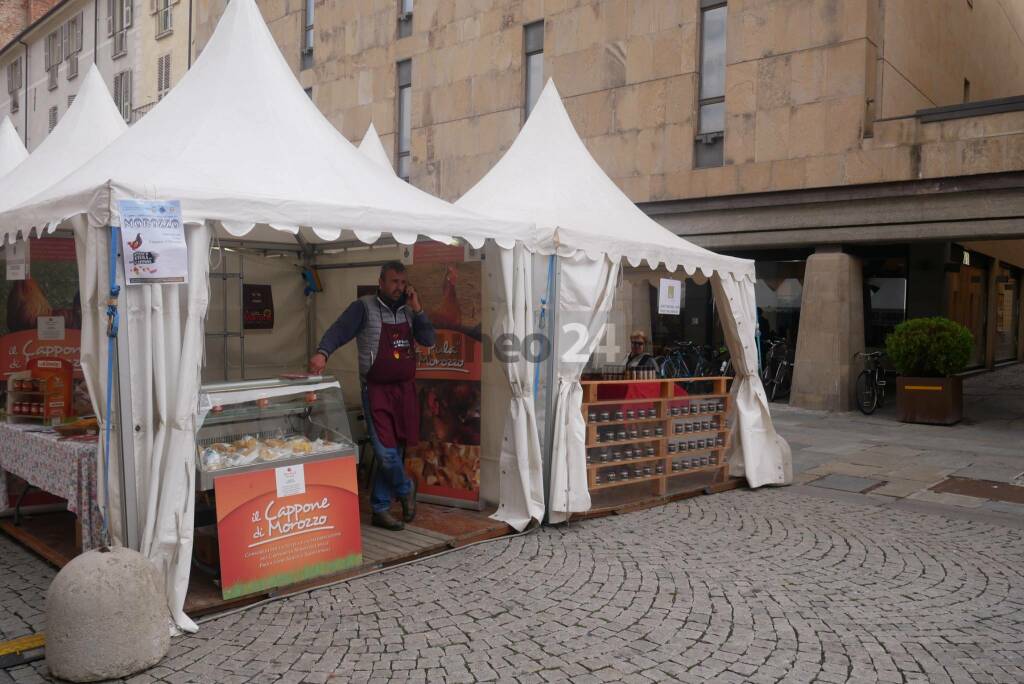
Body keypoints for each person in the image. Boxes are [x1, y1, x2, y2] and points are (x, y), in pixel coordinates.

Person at [309, 261, 436, 531]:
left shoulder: (410, 311)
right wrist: (323, 352)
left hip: (404, 391)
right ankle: (405, 487)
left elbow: (428, 340)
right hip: (376, 391)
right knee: (385, 452)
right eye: (394, 282)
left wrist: (419, 309)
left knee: (395, 449)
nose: (398, 288)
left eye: (403, 283)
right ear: (381, 281)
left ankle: (379, 507)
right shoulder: (363, 307)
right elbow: (339, 330)